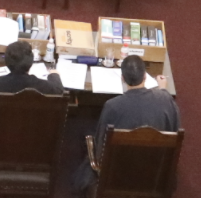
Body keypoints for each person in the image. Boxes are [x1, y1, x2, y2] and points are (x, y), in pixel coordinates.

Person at [74, 54, 179, 190]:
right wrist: (162, 89)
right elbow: (174, 128)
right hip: (154, 173)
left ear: (123, 78)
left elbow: (101, 145)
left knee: (87, 131)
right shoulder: (166, 99)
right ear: (145, 76)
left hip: (117, 174)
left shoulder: (112, 106)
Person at [0, 40, 64, 151]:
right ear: (31, 62)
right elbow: (59, 90)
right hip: (34, 143)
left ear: (7, 62)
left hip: (0, 141)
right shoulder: (43, 86)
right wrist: (54, 75)